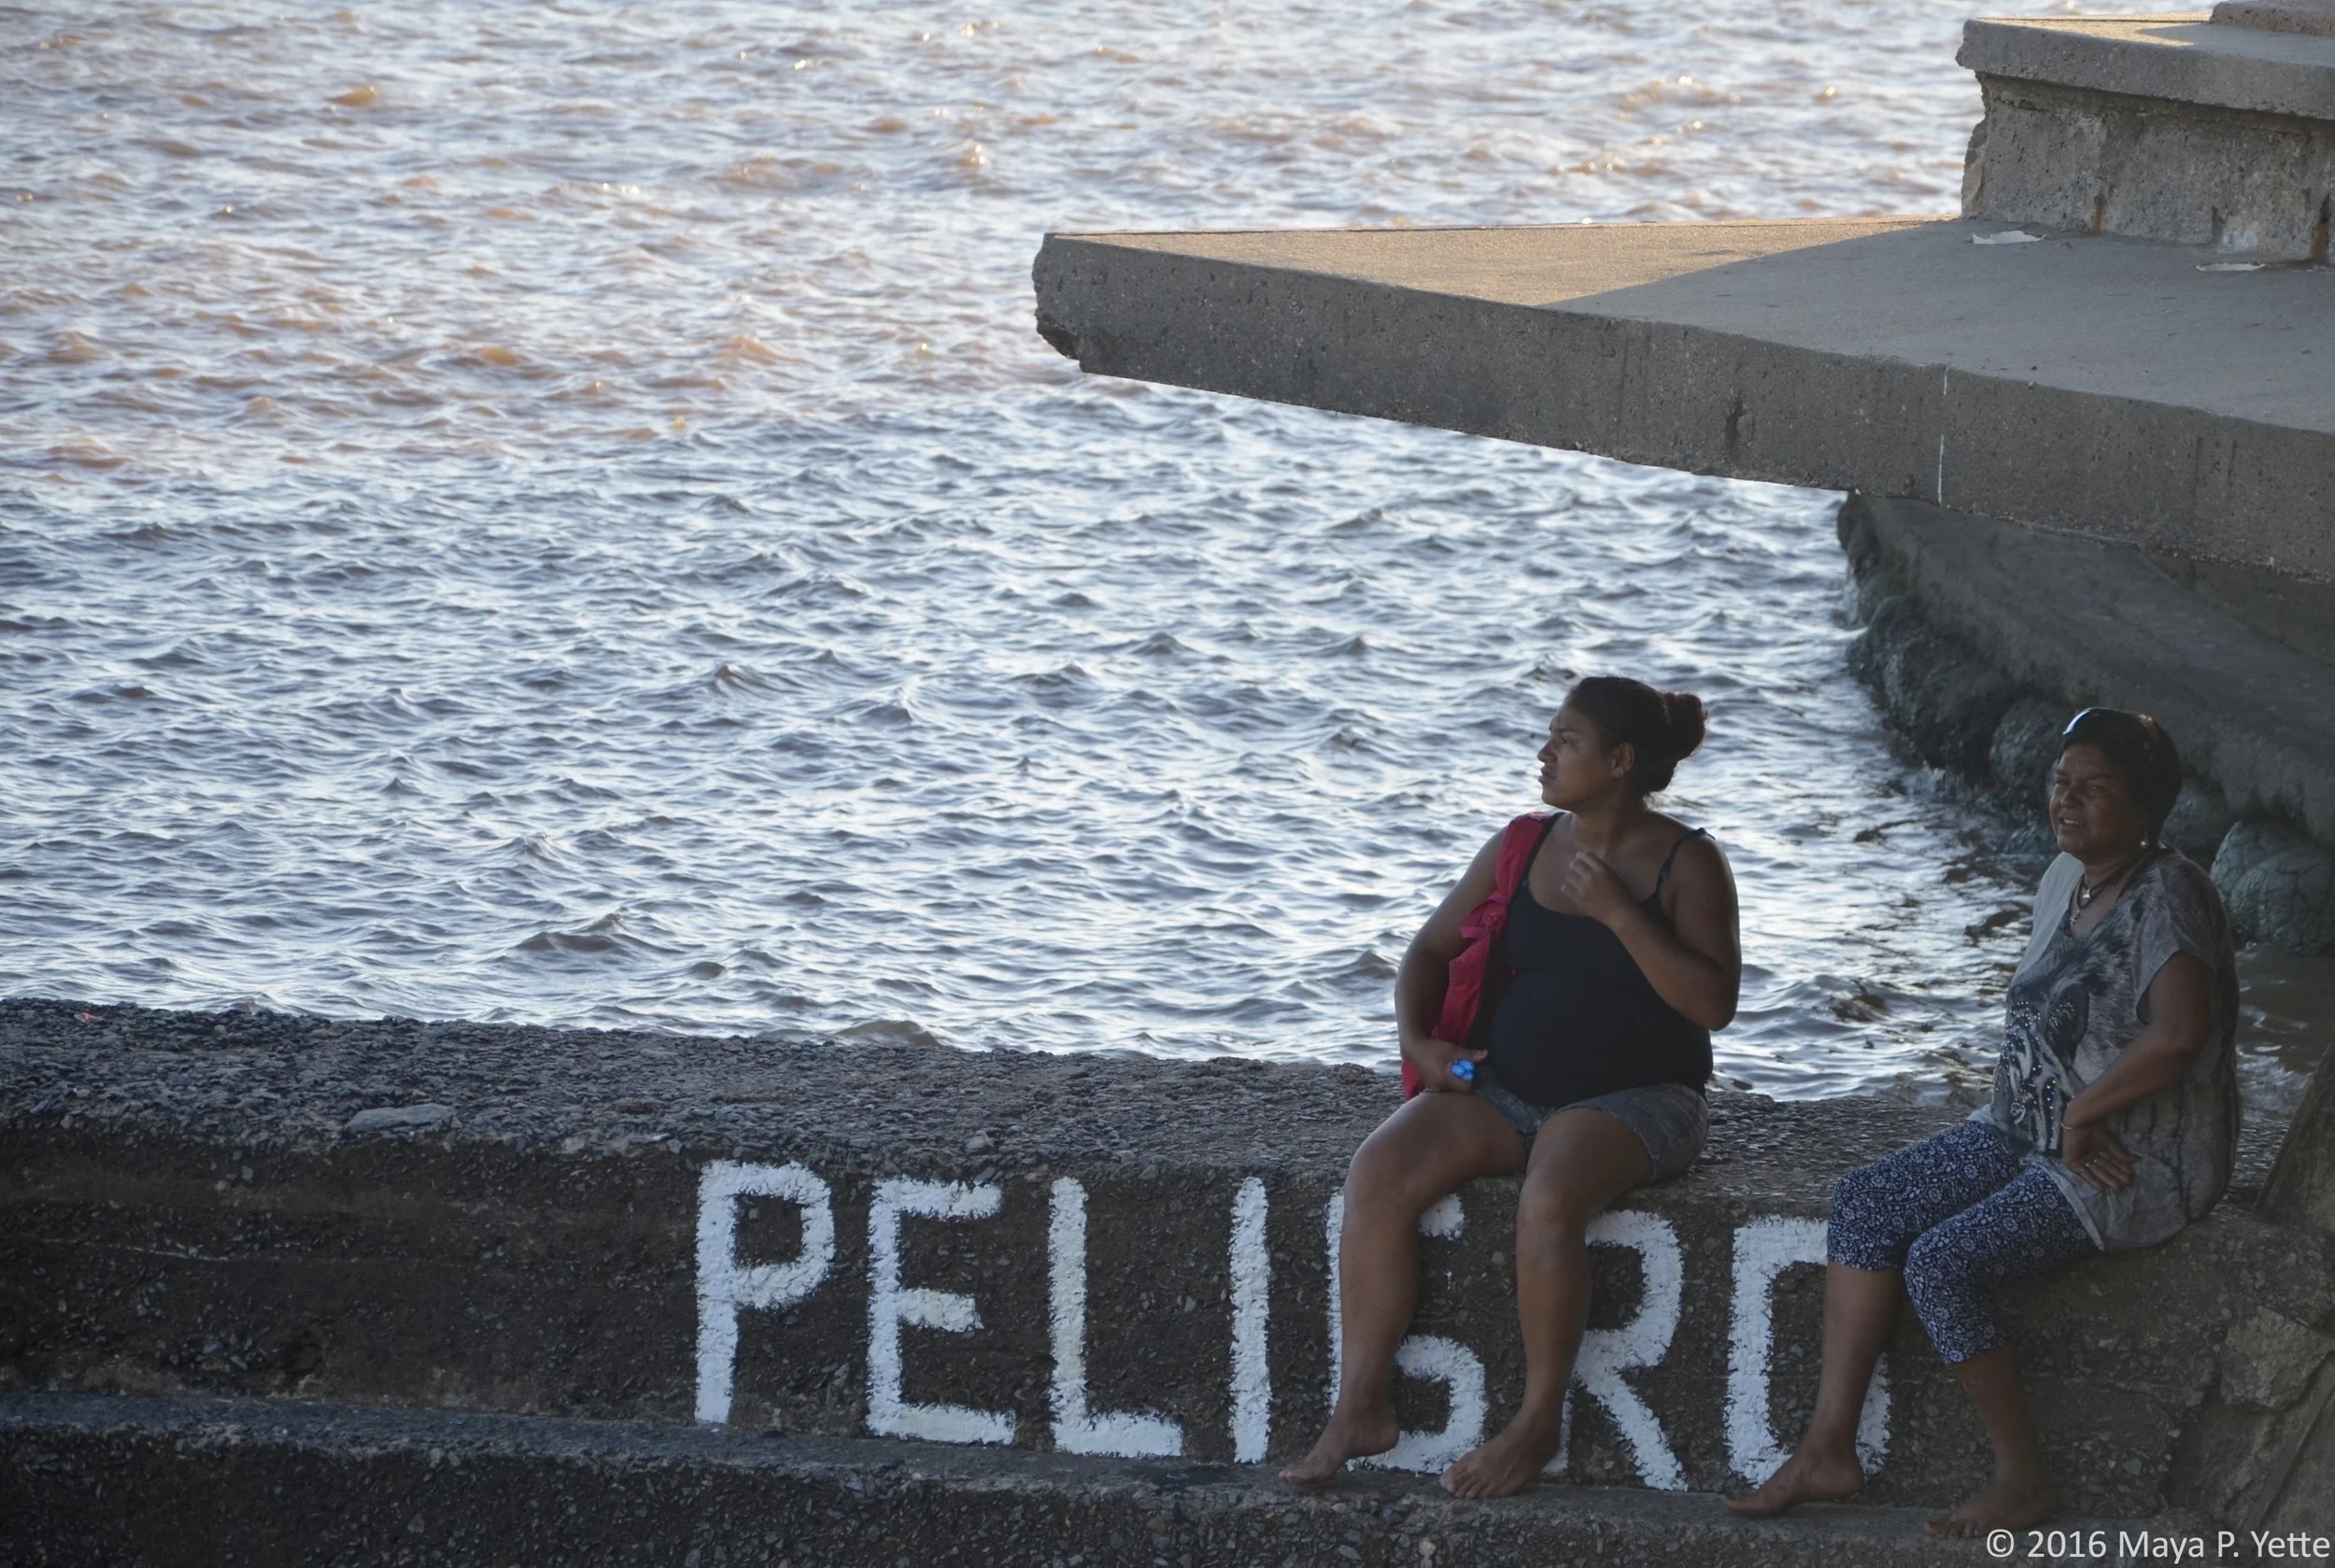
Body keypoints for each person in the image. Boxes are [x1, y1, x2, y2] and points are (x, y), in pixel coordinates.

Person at [1728, 708, 2238, 1536]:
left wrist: (2085, 1110)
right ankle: (1827, 1446)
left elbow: (2178, 1035)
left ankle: (2022, 1478)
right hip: (2025, 1126)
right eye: (2059, 783)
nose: (2066, 801)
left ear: (2145, 809)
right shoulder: (2065, 877)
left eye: (2094, 788)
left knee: (1944, 1258)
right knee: (1864, 1203)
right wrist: (2055, 1112)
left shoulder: (2167, 895)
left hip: (2127, 1155)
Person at [1281, 675, 1740, 1498]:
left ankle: (1535, 1423)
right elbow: (1426, 951)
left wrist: (1617, 913)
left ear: (1619, 760)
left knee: (1550, 1189)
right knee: (1379, 1171)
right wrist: (1423, 1046)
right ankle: (1361, 1405)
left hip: (1642, 1099)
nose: (1544, 751)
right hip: (1506, 1086)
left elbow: (1715, 1004)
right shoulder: (1524, 843)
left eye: (1565, 738)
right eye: (1549, 734)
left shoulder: (1687, 861)